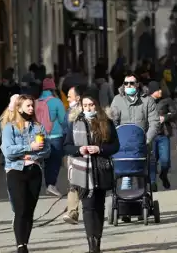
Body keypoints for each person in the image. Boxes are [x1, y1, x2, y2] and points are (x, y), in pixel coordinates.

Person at [63, 94, 120, 253]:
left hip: (101, 169)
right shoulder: (75, 123)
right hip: (82, 172)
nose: (88, 108)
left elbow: (115, 146)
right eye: (85, 105)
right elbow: (66, 146)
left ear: (97, 105)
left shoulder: (106, 122)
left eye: (91, 105)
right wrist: (78, 150)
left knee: (99, 207)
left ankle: (97, 240)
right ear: (81, 106)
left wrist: (100, 149)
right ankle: (92, 246)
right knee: (88, 208)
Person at [1, 95, 51, 253]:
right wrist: (30, 147)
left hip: (34, 170)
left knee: (29, 210)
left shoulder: (38, 127)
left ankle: (25, 242)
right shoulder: (10, 127)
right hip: (16, 170)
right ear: (19, 107)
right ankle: (20, 246)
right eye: (28, 106)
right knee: (20, 208)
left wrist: (34, 155)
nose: (31, 108)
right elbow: (8, 151)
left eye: (32, 106)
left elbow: (47, 150)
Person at [109, 72, 159, 194]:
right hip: (123, 146)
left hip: (142, 144)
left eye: (132, 83)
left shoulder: (147, 100)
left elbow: (154, 122)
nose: (129, 85)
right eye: (126, 83)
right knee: (125, 176)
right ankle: (125, 202)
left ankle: (141, 201)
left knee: (141, 176)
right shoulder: (117, 100)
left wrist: (147, 139)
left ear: (137, 84)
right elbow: (112, 122)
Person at [37, 77, 67, 197]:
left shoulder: (36, 101)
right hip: (55, 136)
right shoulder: (56, 102)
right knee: (54, 162)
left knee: (42, 161)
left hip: (39, 136)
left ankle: (43, 184)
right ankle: (51, 185)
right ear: (53, 88)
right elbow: (63, 120)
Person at [147, 80, 177, 191]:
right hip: (151, 136)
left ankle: (163, 175)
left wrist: (165, 117)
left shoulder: (166, 100)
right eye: (158, 90)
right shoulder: (145, 101)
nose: (160, 91)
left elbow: (175, 113)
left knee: (165, 161)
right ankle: (152, 183)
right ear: (152, 91)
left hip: (163, 135)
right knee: (152, 161)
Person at [63, 85, 85, 225]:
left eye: (70, 96)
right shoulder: (68, 112)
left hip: (87, 153)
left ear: (78, 98)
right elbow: (65, 132)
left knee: (85, 184)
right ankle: (73, 212)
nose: (68, 99)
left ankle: (90, 209)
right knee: (73, 182)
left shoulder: (86, 111)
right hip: (72, 152)